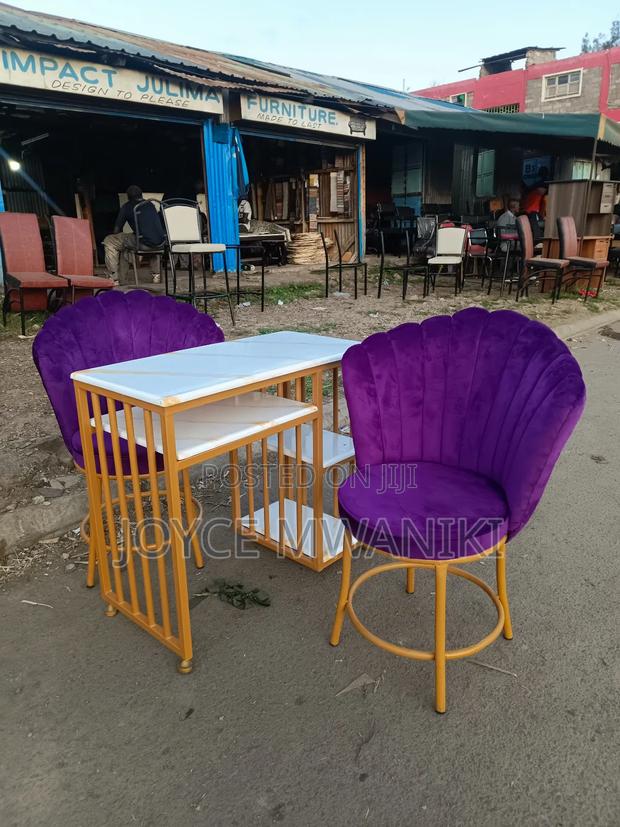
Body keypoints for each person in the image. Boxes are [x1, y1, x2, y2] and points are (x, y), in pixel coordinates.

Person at [103, 185, 165, 285]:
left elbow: (116, 230)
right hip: (160, 243)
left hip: (142, 243)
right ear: (141, 195)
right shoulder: (150, 204)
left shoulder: (127, 206)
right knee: (148, 240)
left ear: (128, 197)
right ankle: (156, 276)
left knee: (109, 240)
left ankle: (113, 277)